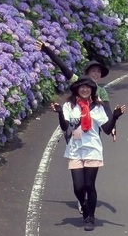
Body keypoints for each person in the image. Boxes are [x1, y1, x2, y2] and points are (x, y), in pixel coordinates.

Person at [36, 40, 115, 214]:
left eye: (98, 72)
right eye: (93, 71)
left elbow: (107, 111)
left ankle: (88, 194)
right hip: (74, 130)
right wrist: (46, 49)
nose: (96, 74)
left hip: (92, 131)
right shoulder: (79, 83)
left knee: (89, 172)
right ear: (86, 72)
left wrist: (113, 126)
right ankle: (82, 197)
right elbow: (63, 67)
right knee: (78, 167)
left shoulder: (100, 92)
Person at [51, 76, 125, 231]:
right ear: (77, 89)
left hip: (92, 149)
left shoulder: (98, 107)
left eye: (88, 87)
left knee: (89, 185)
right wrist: (59, 113)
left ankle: (90, 217)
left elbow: (105, 129)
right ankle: (85, 208)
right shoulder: (69, 106)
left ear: (92, 90)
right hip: (75, 149)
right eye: (82, 87)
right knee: (78, 187)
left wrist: (115, 117)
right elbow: (65, 127)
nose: (85, 90)